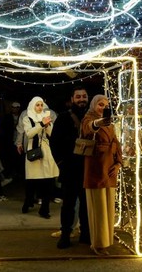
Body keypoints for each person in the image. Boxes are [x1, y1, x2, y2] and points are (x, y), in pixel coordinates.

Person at [81, 94, 122, 256]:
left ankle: (107, 240)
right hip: (96, 168)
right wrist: (97, 123)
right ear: (93, 105)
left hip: (110, 168)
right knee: (98, 208)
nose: (103, 108)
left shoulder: (110, 123)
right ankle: (98, 244)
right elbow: (87, 128)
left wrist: (118, 163)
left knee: (108, 206)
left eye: (106, 105)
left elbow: (116, 143)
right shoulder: (89, 118)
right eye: (100, 104)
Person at [50, 85, 90, 249]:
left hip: (89, 169)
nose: (81, 99)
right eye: (78, 96)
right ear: (72, 99)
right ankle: (66, 234)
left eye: (84, 96)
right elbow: (54, 142)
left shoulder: (93, 117)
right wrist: (61, 163)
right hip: (70, 169)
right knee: (68, 204)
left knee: (87, 205)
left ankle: (86, 235)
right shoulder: (63, 118)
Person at [17, 96, 58, 219]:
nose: (40, 107)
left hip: (46, 149)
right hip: (33, 150)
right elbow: (29, 133)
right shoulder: (26, 117)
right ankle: (28, 201)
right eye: (37, 105)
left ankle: (44, 209)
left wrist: (48, 124)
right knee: (32, 180)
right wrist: (41, 124)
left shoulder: (46, 116)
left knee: (48, 179)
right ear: (33, 105)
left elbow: (51, 133)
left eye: (41, 105)